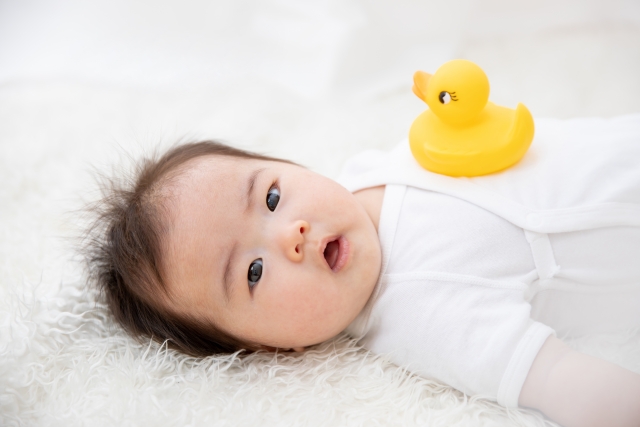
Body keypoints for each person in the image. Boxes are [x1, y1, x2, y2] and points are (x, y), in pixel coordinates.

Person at [86, 114, 640, 427]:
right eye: (253, 272)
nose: (290, 234)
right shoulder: (419, 317)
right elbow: (566, 385)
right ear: (272, 349)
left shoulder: (375, 167)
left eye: (272, 196)